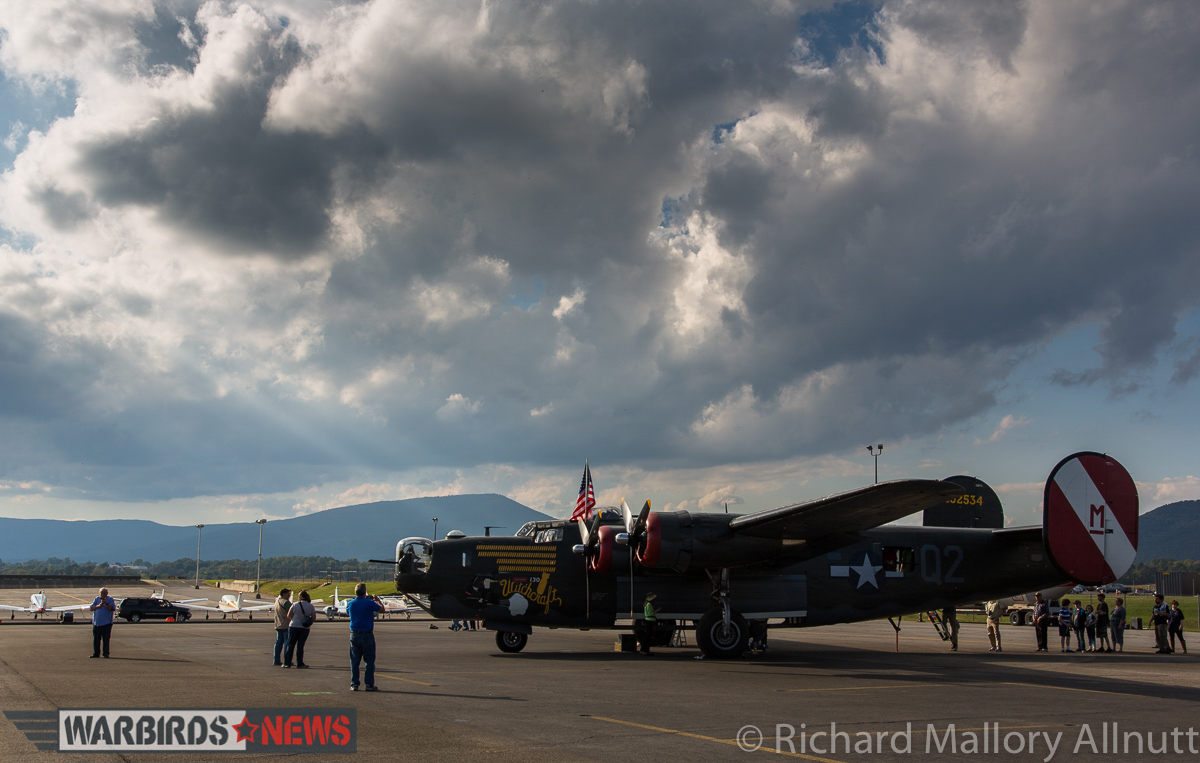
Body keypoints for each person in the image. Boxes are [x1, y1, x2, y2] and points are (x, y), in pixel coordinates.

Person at [347, 583, 383, 691]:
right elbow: (382, 610)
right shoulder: (369, 603)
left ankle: (354, 684)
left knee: (354, 660)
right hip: (367, 634)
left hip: (354, 633)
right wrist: (377, 600)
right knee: (369, 660)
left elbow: (349, 613)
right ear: (364, 592)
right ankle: (369, 684)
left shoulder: (350, 604)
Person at [283, 591, 316, 669]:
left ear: (300, 596)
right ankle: (300, 663)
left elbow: (289, 615)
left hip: (293, 626)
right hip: (304, 627)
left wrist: (295, 619)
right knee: (300, 646)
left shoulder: (295, 604)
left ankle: (287, 663)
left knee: (290, 645)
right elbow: (314, 618)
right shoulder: (310, 606)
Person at [89, 587, 116, 658]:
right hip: (97, 623)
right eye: (102, 593)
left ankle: (106, 653)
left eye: (105, 593)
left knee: (106, 639)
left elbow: (112, 609)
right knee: (96, 640)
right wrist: (98, 606)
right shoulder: (97, 599)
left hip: (106, 623)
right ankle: (96, 653)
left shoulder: (110, 599)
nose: (103, 595)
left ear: (107, 594)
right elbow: (91, 608)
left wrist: (106, 603)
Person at [273, 588, 292, 666]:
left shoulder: (277, 601)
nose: (289, 595)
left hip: (278, 625)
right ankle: (287, 660)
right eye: (288, 594)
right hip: (285, 625)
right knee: (287, 643)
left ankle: (276, 660)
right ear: (284, 594)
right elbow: (292, 611)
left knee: (278, 643)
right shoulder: (285, 602)